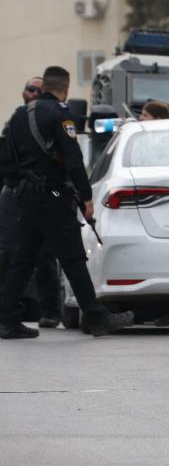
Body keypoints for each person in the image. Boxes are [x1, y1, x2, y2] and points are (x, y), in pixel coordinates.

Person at [0, 66, 134, 339]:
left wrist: (17, 185)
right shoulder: (61, 115)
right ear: (65, 87)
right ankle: (96, 317)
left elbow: (5, 157)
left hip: (25, 197)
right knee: (72, 257)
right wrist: (86, 196)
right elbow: (73, 160)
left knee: (23, 259)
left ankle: (7, 319)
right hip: (53, 196)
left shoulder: (17, 116)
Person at [0, 77, 64, 328]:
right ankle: (8, 312)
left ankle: (51, 310)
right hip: (16, 194)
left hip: (48, 193)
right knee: (9, 253)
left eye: (40, 89)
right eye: (31, 89)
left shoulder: (53, 120)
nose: (35, 93)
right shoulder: (15, 121)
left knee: (46, 254)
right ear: (23, 92)